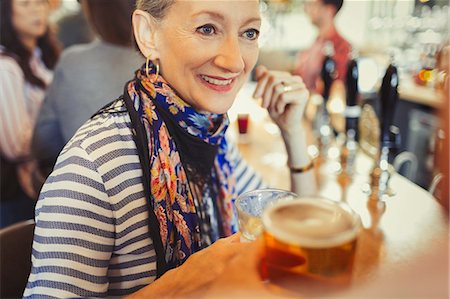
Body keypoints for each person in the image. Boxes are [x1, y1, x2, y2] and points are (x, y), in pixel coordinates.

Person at [24, 0, 315, 297]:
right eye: (207, 28)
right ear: (148, 34)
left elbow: (300, 231)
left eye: (249, 33)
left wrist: (291, 132)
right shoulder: (92, 164)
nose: (236, 61)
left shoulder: (209, 134)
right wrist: (181, 283)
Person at [32, 0, 143, 179]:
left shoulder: (72, 62)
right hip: (160, 192)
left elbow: (43, 143)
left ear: (92, 10)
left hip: (88, 188)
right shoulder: (163, 62)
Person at [0, 0, 60, 228]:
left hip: (44, 176)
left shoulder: (41, 56)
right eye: (26, 3)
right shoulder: (6, 66)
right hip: (18, 191)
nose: (37, 9)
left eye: (41, 2)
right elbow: (15, 144)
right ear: (6, 12)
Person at [293, 0, 351, 93]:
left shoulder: (342, 48)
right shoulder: (317, 42)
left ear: (329, 9)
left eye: (313, 5)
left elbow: (336, 87)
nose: (307, 9)